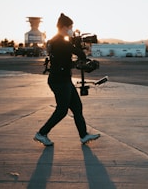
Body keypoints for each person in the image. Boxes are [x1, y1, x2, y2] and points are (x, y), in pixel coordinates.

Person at [34, 13, 100, 146]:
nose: (71, 29)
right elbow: (79, 53)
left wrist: (76, 56)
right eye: (71, 27)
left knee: (77, 107)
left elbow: (65, 62)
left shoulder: (57, 40)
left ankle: (83, 135)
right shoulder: (60, 41)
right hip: (59, 81)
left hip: (63, 79)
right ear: (64, 27)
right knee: (62, 110)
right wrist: (79, 46)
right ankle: (41, 133)